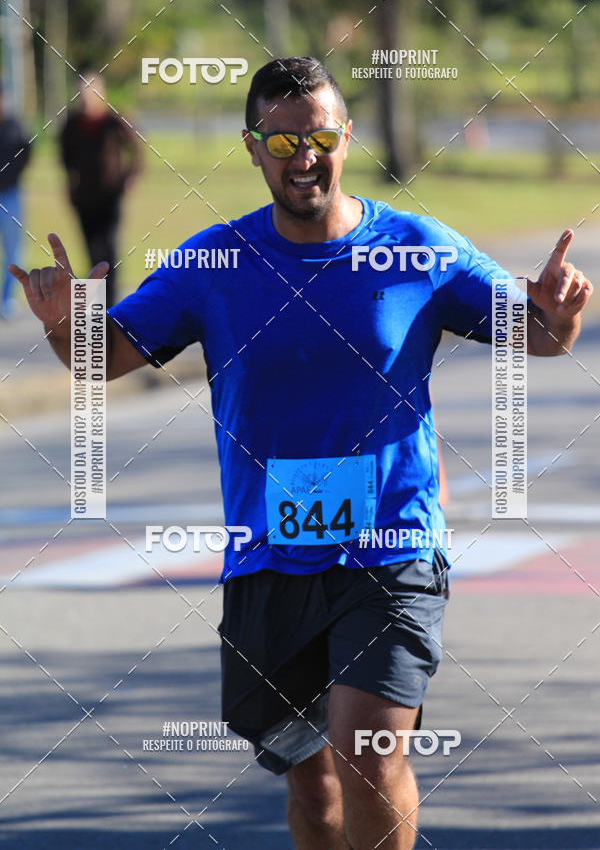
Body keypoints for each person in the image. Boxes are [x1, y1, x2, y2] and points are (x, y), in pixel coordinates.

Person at [10, 57, 593, 849]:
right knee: (312, 784)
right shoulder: (214, 262)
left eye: (318, 136)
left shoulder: (415, 249)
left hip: (391, 546)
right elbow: (101, 356)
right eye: (281, 142)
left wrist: (560, 316)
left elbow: (539, 334)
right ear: (253, 149)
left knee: (368, 751)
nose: (303, 157)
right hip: (269, 559)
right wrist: (60, 321)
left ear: (345, 136)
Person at [58, 71, 142, 307]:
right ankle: (97, 306)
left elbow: (137, 150)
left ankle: (113, 307)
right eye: (82, 92)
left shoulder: (114, 121)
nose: (87, 97)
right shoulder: (72, 124)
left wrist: (131, 177)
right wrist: (70, 185)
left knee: (110, 251)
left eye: (91, 91)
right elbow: (64, 158)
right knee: (92, 253)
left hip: (111, 197)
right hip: (84, 198)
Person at [0, 82, 31, 319]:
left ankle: (8, 298)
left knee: (14, 250)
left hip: (11, 194)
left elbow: (27, 151)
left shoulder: (15, 127)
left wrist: (15, 175)